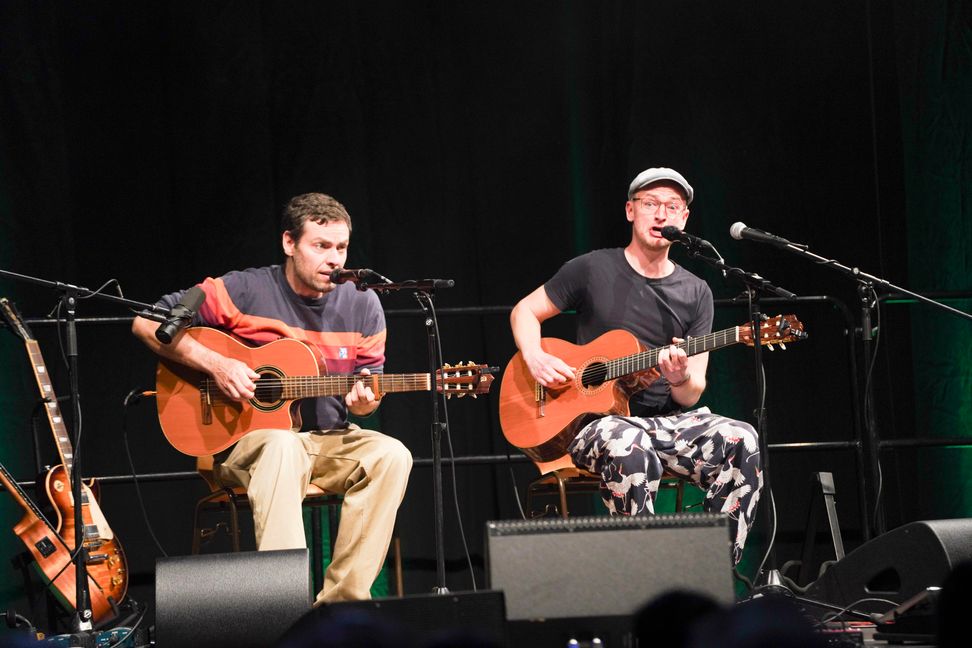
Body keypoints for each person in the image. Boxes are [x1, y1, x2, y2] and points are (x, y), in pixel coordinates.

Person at [132, 192, 412, 604]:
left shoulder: (364, 303)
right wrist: (217, 364)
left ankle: (341, 606)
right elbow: (147, 322)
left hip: (328, 440)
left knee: (392, 455)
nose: (334, 259)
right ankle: (286, 606)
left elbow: (368, 391)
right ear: (289, 243)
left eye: (341, 247)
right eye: (321, 246)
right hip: (248, 444)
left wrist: (364, 402)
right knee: (283, 445)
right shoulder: (245, 289)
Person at [510, 167, 761, 563]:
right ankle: (643, 581)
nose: (661, 214)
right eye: (650, 204)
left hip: (664, 423)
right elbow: (526, 310)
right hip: (594, 425)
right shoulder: (592, 269)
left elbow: (693, 390)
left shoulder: (696, 292)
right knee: (632, 445)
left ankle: (706, 574)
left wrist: (679, 379)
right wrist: (535, 355)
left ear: (684, 219)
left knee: (742, 439)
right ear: (630, 211)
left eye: (672, 206)